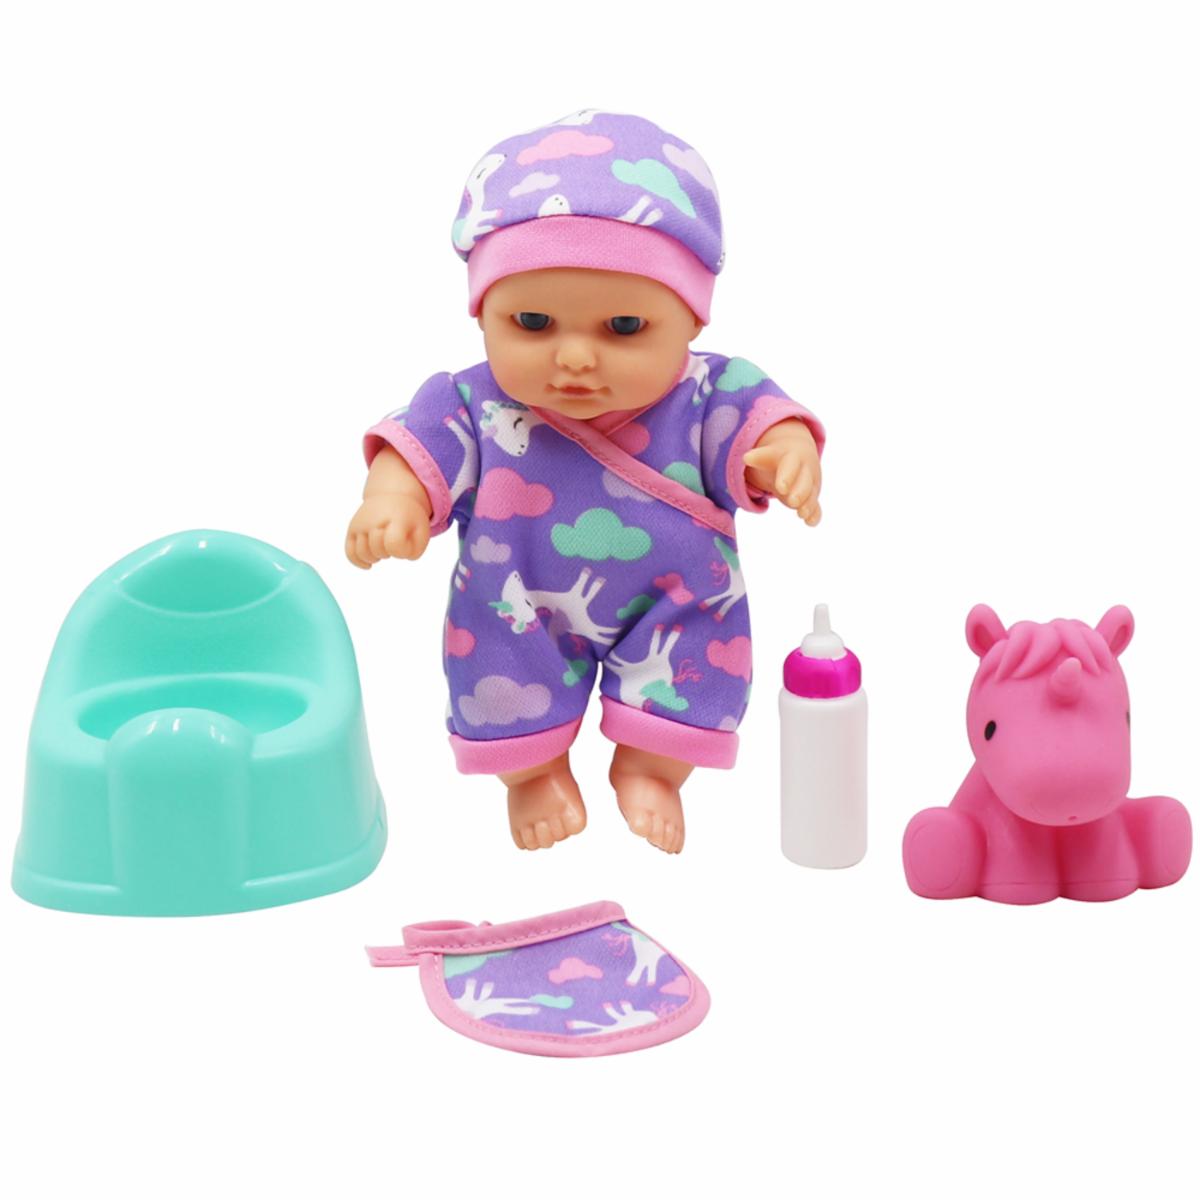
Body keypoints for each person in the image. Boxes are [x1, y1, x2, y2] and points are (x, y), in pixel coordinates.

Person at [347, 110, 824, 854]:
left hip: (676, 597)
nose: (574, 358)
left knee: (695, 673)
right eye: (533, 323)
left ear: (691, 320)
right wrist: (395, 496)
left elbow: (762, 418)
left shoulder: (706, 394)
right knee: (500, 680)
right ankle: (533, 774)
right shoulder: (474, 403)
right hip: (517, 599)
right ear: (483, 314)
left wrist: (781, 451)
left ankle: (651, 768)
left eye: (623, 328)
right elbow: (417, 447)